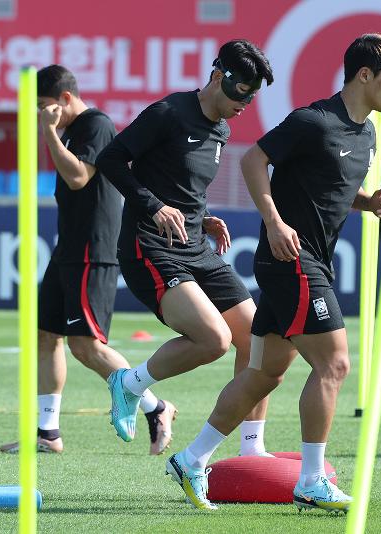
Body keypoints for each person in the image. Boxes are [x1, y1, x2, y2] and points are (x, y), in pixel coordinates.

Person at [166, 33, 381, 512]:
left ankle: (191, 459)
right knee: (334, 363)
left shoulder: (368, 131)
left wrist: (368, 203)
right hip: (292, 259)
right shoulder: (314, 120)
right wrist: (274, 222)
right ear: (364, 76)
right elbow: (256, 159)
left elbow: (333, 191)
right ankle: (312, 480)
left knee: (266, 373)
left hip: (310, 259)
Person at [95, 40, 276, 458]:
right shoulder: (167, 114)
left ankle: (252, 450)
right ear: (217, 77)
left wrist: (204, 215)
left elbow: (182, 182)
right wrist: (153, 206)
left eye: (251, 97)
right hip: (149, 246)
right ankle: (129, 384)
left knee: (259, 339)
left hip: (196, 244)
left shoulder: (223, 129)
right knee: (213, 340)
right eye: (239, 93)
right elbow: (109, 160)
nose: (243, 104)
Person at [0, 65, 176, 456]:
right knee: (46, 337)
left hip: (92, 250)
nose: (42, 114)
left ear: (64, 99)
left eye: (45, 106)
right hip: (69, 247)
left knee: (87, 346)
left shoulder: (96, 124)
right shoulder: (70, 130)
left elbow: (79, 176)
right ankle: (48, 432)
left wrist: (47, 132)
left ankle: (156, 406)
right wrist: (52, 131)